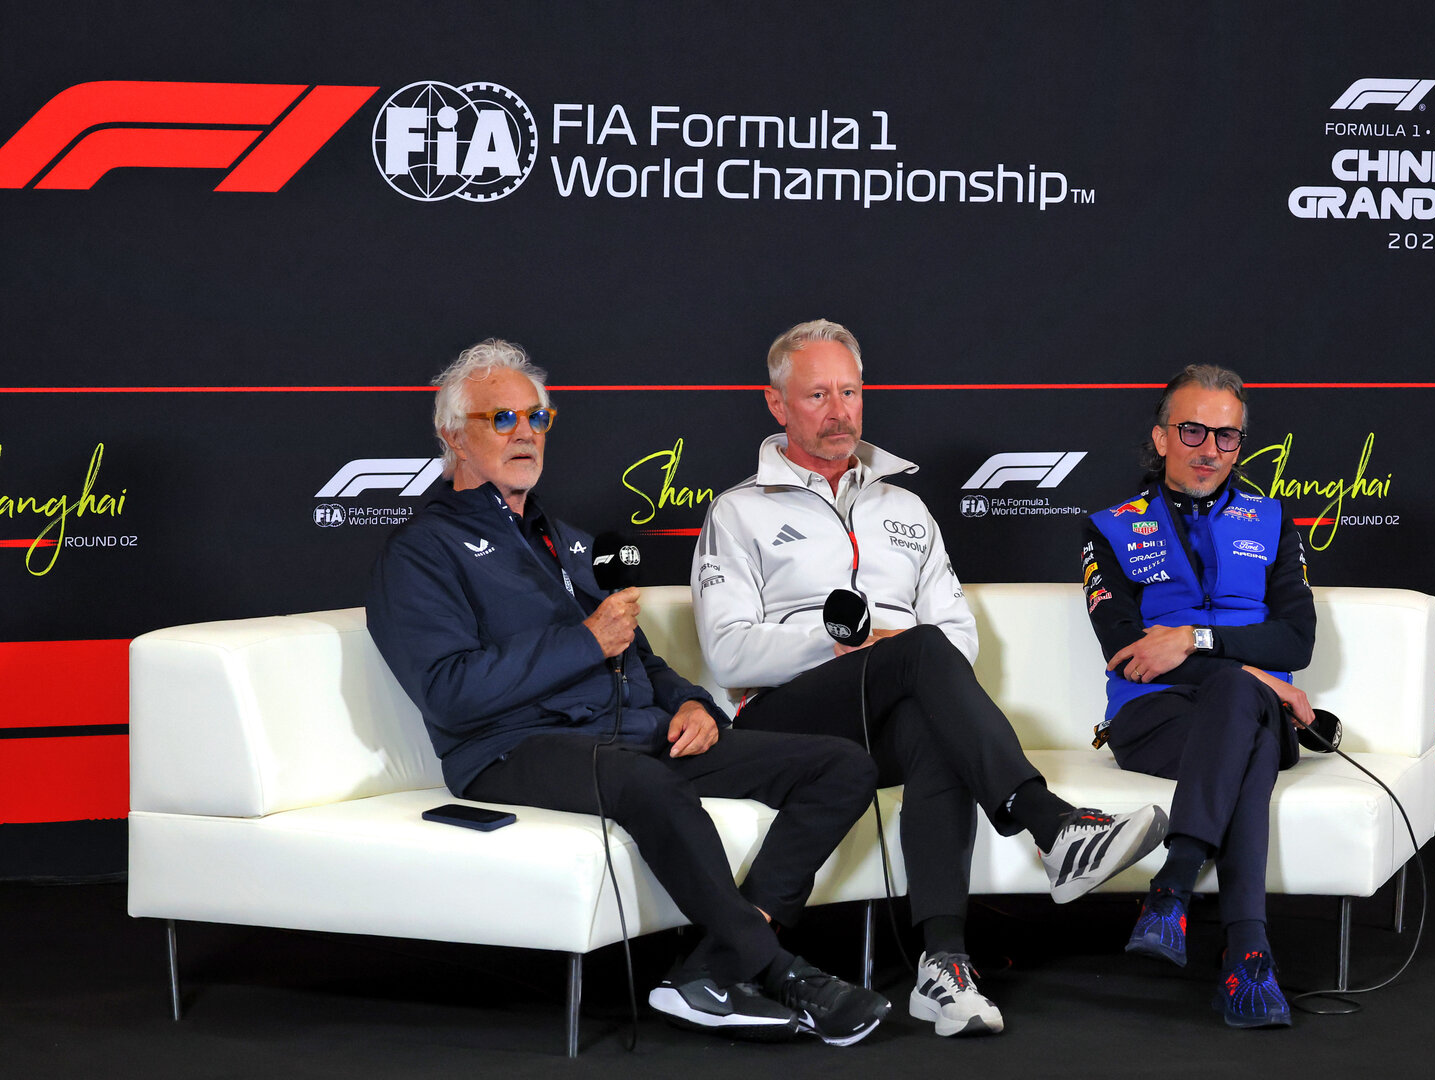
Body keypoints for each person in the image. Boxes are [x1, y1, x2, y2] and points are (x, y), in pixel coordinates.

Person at [366, 338, 892, 1046]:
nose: (526, 434)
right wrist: (584, 641)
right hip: (510, 749)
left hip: (633, 732)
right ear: (454, 434)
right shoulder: (420, 552)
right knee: (647, 783)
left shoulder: (571, 544)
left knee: (842, 765)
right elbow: (449, 693)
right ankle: (786, 974)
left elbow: (639, 656)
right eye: (503, 420)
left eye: (537, 419)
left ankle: (708, 970)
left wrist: (692, 705)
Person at [691, 319, 1168, 1037]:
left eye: (849, 391)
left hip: (885, 716)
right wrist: (839, 644)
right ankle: (1053, 827)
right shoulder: (739, 511)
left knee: (929, 722)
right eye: (816, 394)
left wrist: (895, 655)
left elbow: (961, 637)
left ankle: (943, 967)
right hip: (784, 723)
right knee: (916, 653)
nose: (838, 410)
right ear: (776, 404)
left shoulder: (904, 508)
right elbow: (728, 655)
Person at [1081, 363, 1318, 1028]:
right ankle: (1246, 955)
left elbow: (1294, 642)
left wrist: (1194, 640)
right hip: (1152, 721)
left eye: (1227, 436)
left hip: (1247, 714)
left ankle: (1174, 882)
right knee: (1248, 720)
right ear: (1161, 438)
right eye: (1193, 431)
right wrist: (1259, 677)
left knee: (1242, 711)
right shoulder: (1109, 526)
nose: (1210, 450)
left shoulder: (1271, 521)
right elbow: (1129, 653)